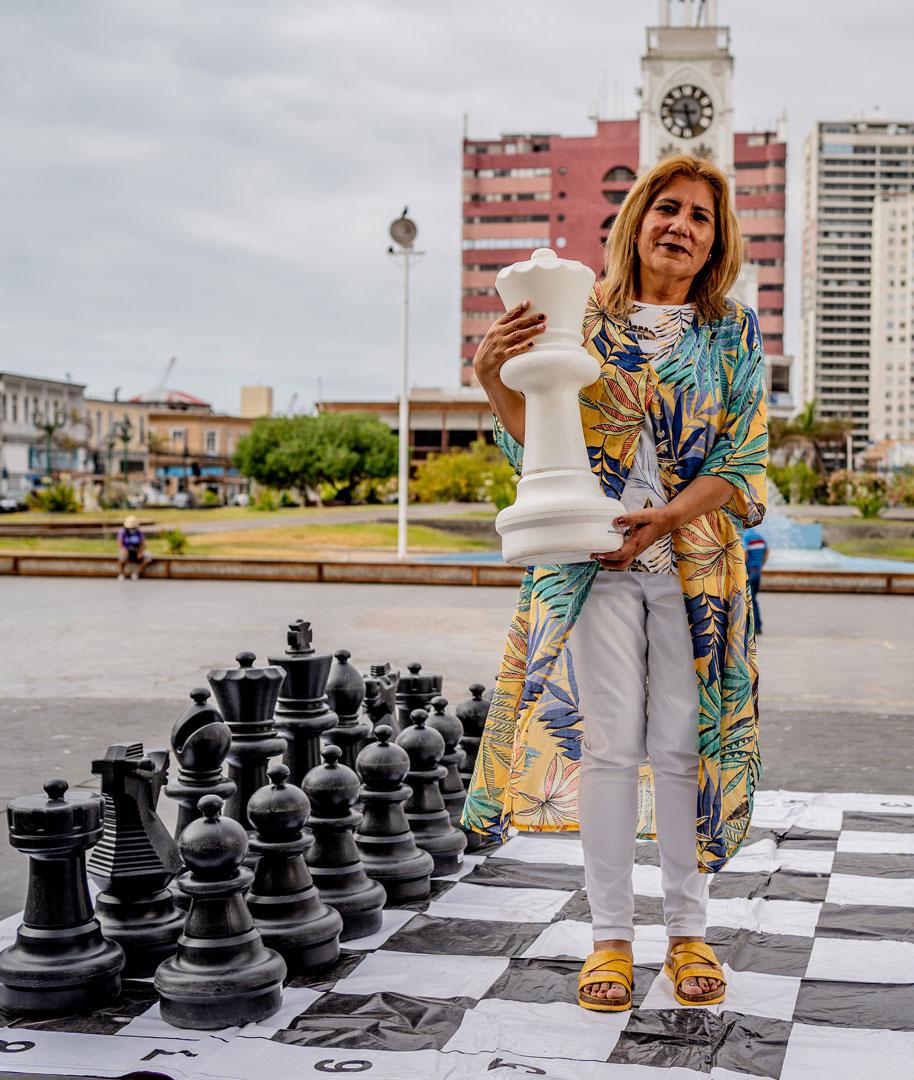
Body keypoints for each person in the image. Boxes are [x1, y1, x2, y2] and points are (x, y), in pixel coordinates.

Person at [463, 154, 768, 1012]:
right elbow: (540, 446)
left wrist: (666, 520)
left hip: (695, 564)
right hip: (590, 561)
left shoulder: (731, 333)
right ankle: (608, 939)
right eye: (666, 209)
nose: (681, 226)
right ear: (635, 219)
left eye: (700, 218)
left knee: (679, 746)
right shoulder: (578, 318)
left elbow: (742, 463)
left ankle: (686, 931)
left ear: (717, 241)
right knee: (606, 747)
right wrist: (492, 377)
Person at [743, 526, 769, 635]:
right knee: (753, 598)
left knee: (749, 599)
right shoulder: (760, 537)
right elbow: (767, 551)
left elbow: (744, 553)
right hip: (757, 571)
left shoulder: (746, 537)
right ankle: (755, 625)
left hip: (749, 570)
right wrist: (761, 564)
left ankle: (755, 626)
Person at [116, 514, 151, 581]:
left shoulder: (139, 532)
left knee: (148, 556)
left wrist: (140, 552)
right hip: (126, 550)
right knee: (122, 557)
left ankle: (136, 573)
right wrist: (124, 550)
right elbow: (120, 543)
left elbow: (143, 544)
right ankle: (121, 574)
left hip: (136, 551)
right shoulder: (122, 532)